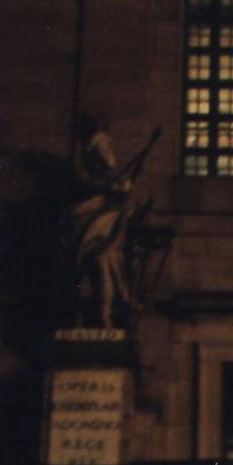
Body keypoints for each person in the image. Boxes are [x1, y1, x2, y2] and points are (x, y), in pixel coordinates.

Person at [62, 114, 161, 329]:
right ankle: (100, 316)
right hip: (90, 236)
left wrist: (121, 191)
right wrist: (112, 188)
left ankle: (106, 317)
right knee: (98, 272)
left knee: (107, 272)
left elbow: (119, 200)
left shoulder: (105, 182)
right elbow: (86, 189)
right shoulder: (85, 179)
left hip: (107, 242)